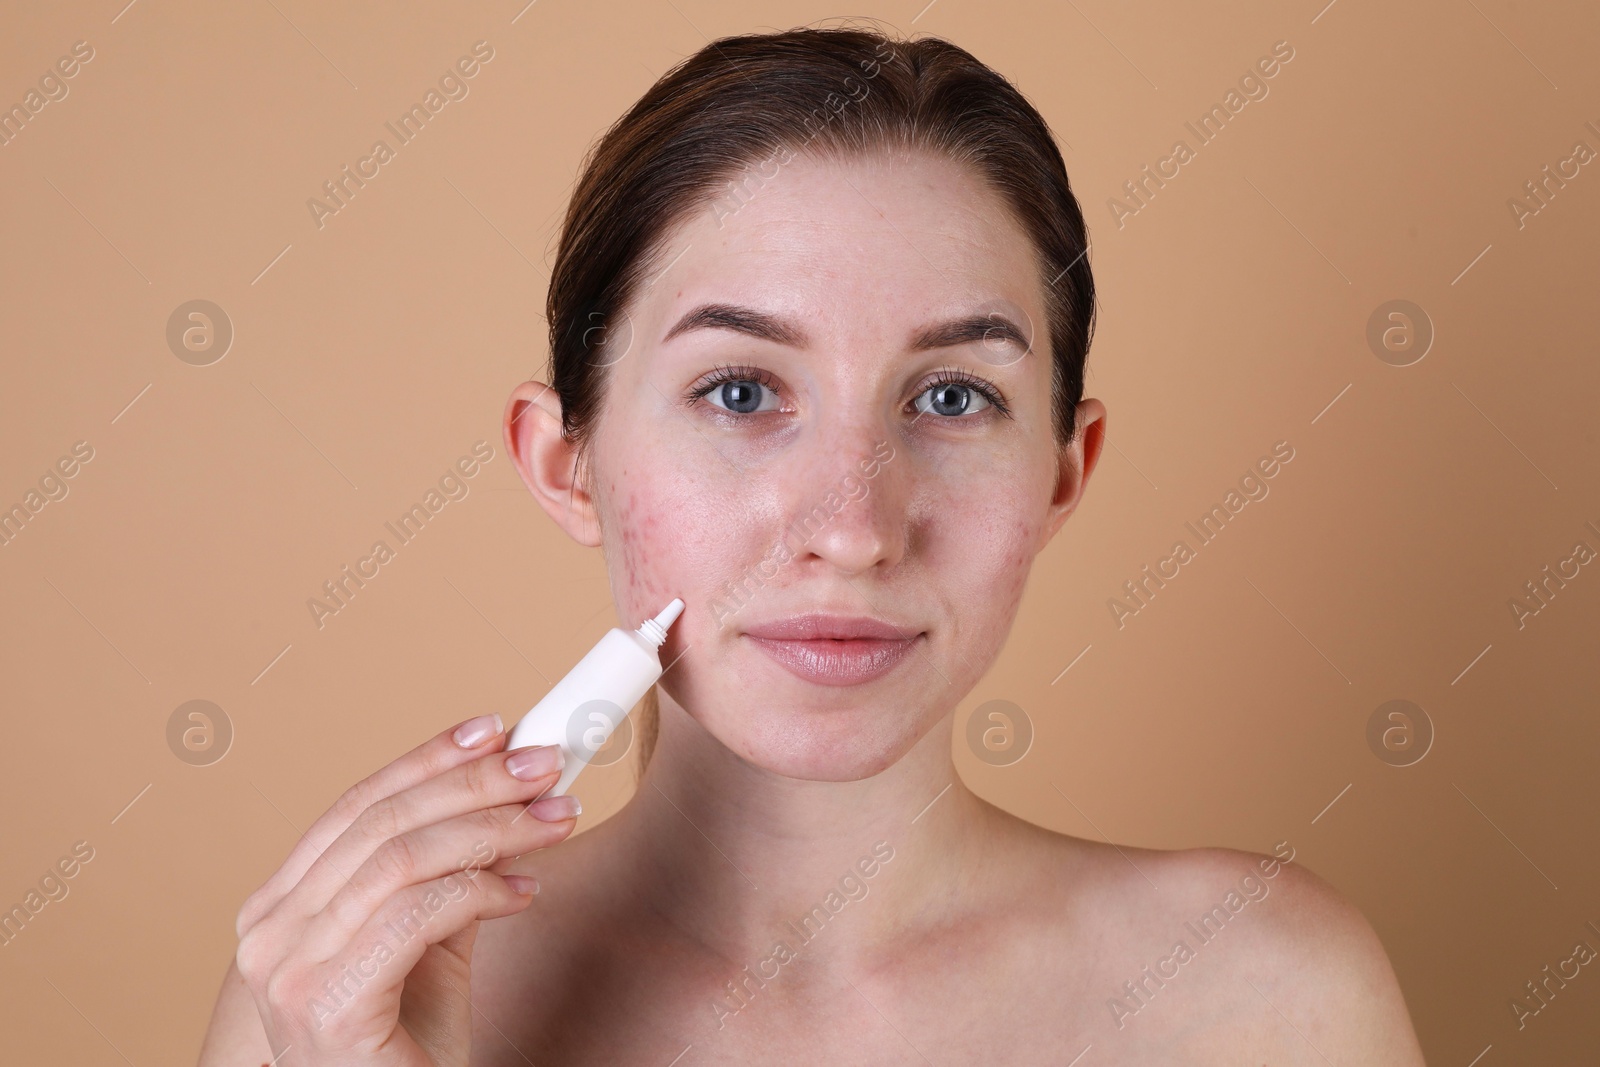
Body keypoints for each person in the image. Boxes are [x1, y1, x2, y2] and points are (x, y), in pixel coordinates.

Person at [198, 23, 1426, 1065]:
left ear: (1062, 475)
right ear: (565, 461)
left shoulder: (1259, 994)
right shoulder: (338, 1001)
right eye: (739, 391)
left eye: (951, 398)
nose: (852, 528)